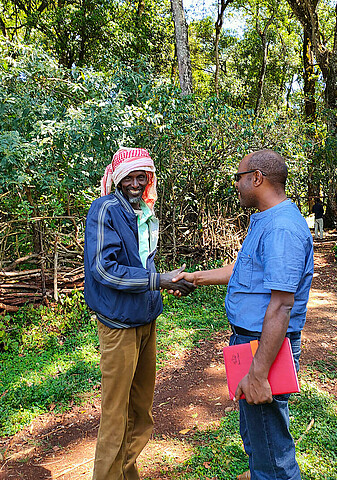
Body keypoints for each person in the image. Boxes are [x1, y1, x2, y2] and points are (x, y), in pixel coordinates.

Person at [173, 149, 314, 480]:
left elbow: (281, 305)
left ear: (256, 178)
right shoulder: (266, 219)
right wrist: (196, 277)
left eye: (238, 177)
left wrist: (259, 373)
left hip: (263, 346)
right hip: (248, 342)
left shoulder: (281, 228)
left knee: (273, 451)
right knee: (257, 438)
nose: (236, 184)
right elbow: (244, 270)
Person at [84, 147, 195, 480]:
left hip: (146, 321)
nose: (135, 183)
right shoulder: (105, 210)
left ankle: (126, 473)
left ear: (148, 178)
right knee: (116, 414)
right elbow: (104, 269)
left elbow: (142, 265)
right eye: (129, 177)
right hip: (119, 326)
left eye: (141, 177)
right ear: (117, 179)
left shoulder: (144, 212)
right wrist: (157, 280)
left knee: (142, 412)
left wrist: (164, 283)